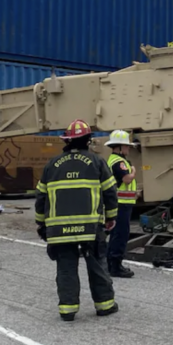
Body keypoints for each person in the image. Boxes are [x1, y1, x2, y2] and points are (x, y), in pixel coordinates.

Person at [36, 119, 120, 321]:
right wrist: (111, 217)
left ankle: (67, 310)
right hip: (90, 228)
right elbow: (110, 193)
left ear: (68, 141)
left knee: (66, 268)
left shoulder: (51, 165)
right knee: (97, 265)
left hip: (59, 230)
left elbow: (41, 198)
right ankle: (105, 305)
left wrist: (41, 224)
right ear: (88, 141)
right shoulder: (97, 162)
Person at [104, 129, 139, 279]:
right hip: (121, 204)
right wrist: (133, 172)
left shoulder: (113, 160)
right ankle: (116, 266)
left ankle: (110, 264)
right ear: (118, 147)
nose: (129, 148)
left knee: (116, 234)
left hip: (120, 202)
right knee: (120, 234)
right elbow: (126, 179)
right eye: (127, 146)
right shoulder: (119, 162)